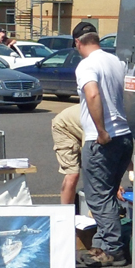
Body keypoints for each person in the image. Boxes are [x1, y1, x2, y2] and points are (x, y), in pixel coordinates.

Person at [73, 23, 133, 266]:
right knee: (108, 192)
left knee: (97, 196)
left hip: (104, 138)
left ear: (77, 42)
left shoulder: (86, 65)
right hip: (125, 135)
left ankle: (113, 248)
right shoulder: (117, 62)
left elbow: (93, 94)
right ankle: (103, 243)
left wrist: (101, 131)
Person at [51, 103, 93, 253]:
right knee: (73, 174)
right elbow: (91, 163)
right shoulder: (94, 126)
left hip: (81, 128)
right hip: (64, 128)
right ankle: (65, 219)